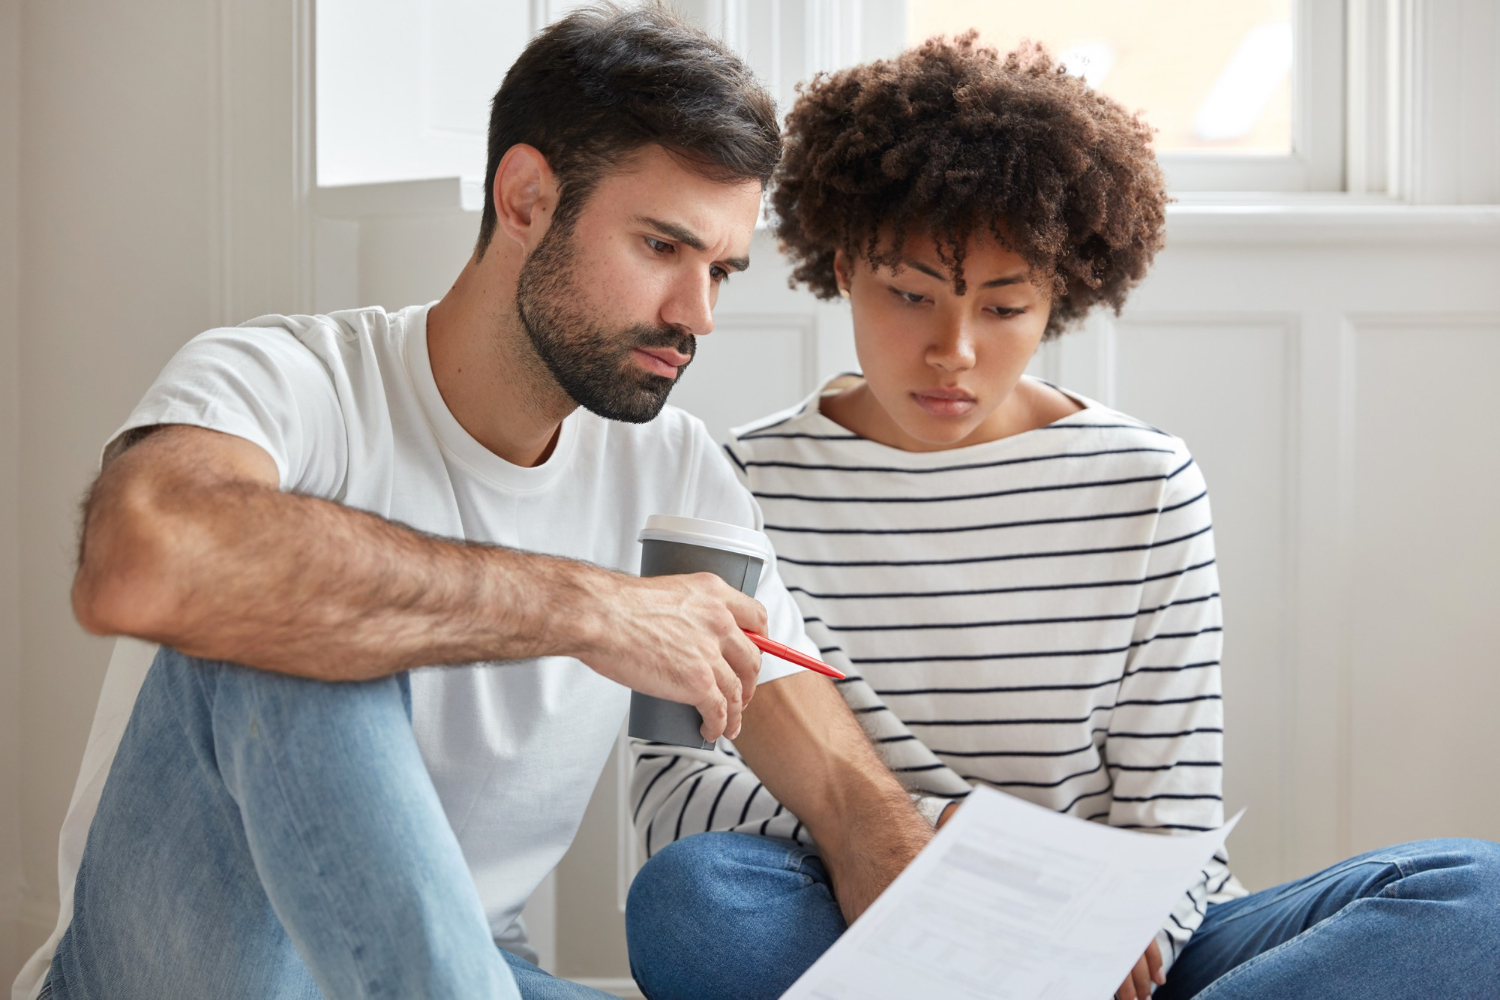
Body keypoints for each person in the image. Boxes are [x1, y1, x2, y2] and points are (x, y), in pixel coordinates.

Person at [13, 7, 936, 1000]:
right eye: (662, 247)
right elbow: (141, 561)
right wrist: (594, 609)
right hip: (182, 973)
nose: (696, 314)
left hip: (463, 975)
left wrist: (938, 901)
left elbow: (838, 790)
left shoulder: (675, 475)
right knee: (285, 616)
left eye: (718, 270)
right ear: (527, 198)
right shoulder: (288, 380)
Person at [625, 34, 1500, 1000]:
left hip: (1123, 957)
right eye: (910, 295)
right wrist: (923, 847)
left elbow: (1172, 823)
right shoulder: (729, 483)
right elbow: (675, 794)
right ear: (843, 267)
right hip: (863, 917)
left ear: (1060, 295)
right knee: (694, 899)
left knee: (1477, 897)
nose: (953, 350)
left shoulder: (1147, 483)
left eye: (1005, 309)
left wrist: (1103, 928)